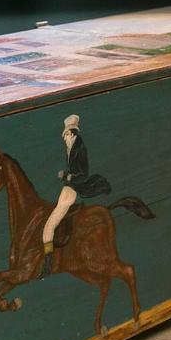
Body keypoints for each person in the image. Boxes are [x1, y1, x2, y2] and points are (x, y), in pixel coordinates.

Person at [38, 115, 111, 279]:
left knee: (49, 225)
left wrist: (67, 176)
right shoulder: (73, 147)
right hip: (70, 187)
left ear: (71, 133)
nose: (63, 138)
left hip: (73, 189)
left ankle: (48, 264)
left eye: (65, 135)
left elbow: (82, 174)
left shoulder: (78, 148)